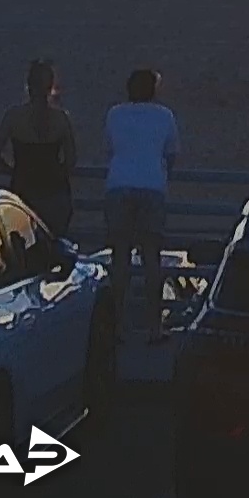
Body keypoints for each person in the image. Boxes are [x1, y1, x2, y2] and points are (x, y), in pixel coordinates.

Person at [105, 69, 179, 340]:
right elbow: (171, 154)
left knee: (120, 258)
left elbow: (111, 147)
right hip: (151, 187)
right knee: (151, 258)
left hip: (119, 185)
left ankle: (118, 325)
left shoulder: (115, 114)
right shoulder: (164, 116)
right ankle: (153, 326)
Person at [0, 61, 78, 238]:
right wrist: (59, 174)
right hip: (54, 191)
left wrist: (13, 171)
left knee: (24, 245)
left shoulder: (14, 116)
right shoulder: (61, 118)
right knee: (54, 242)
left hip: (24, 189)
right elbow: (71, 159)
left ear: (28, 85)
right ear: (52, 86)